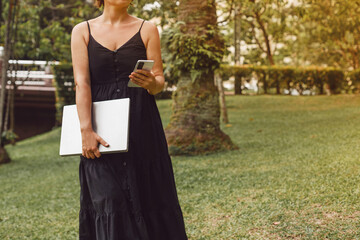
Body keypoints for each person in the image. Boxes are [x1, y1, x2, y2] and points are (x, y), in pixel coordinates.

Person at [70, 0, 188, 239]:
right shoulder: (82, 31)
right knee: (108, 198)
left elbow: (159, 82)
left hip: (141, 125)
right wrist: (86, 130)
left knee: (149, 195)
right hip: (101, 129)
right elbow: (82, 83)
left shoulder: (147, 28)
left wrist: (151, 83)